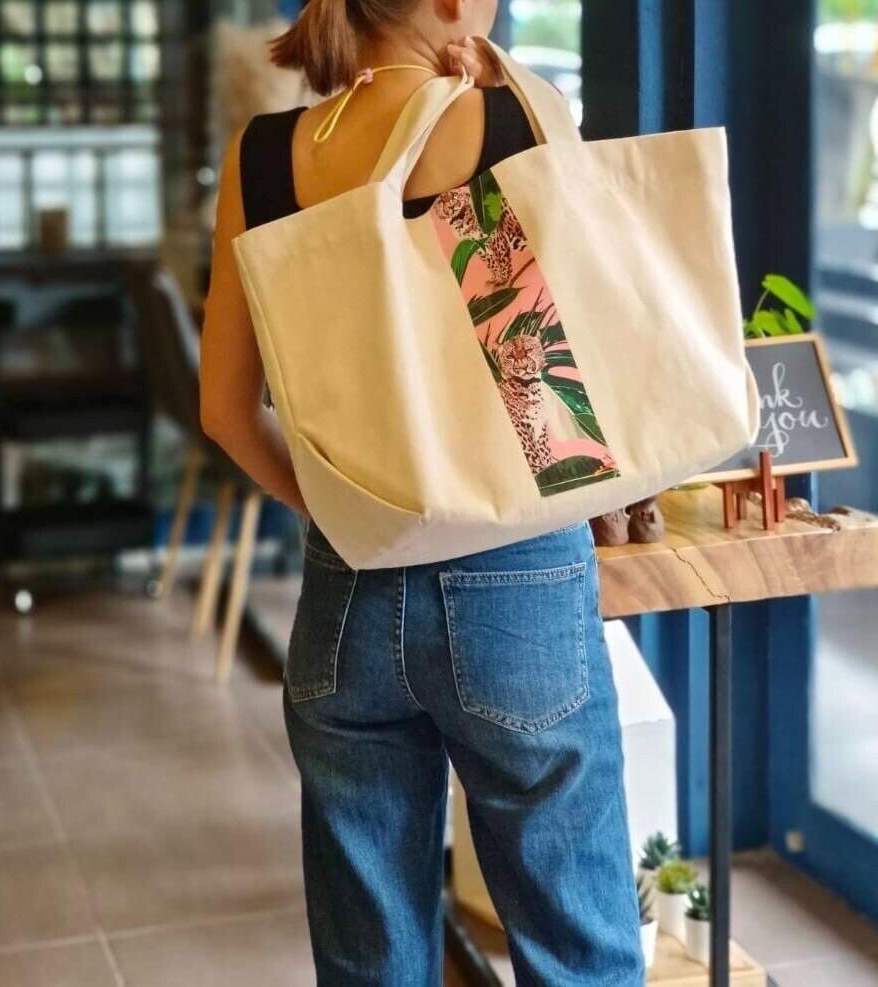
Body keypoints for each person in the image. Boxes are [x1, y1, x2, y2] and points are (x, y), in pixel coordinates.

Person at [200, 1, 645, 983]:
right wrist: (502, 83)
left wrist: (343, 510)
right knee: (577, 951)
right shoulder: (508, 118)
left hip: (346, 585)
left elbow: (226, 412)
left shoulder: (264, 155)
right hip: (515, 580)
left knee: (371, 960)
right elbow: (558, 367)